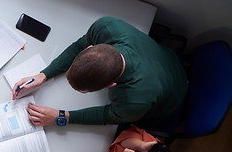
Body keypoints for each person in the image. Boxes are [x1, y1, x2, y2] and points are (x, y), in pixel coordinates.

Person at [12, 16, 188, 130]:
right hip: (166, 58)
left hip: (170, 100)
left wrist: (61, 116)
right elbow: (78, 46)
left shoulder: (134, 101)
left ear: (111, 85)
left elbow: (109, 115)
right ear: (92, 48)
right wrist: (43, 75)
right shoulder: (107, 27)